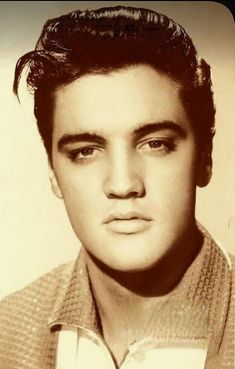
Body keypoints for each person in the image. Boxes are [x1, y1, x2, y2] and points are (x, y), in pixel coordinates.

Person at [0, 5, 234, 369]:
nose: (123, 185)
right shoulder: (6, 331)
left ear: (205, 157)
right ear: (52, 171)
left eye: (156, 143)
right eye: (85, 151)